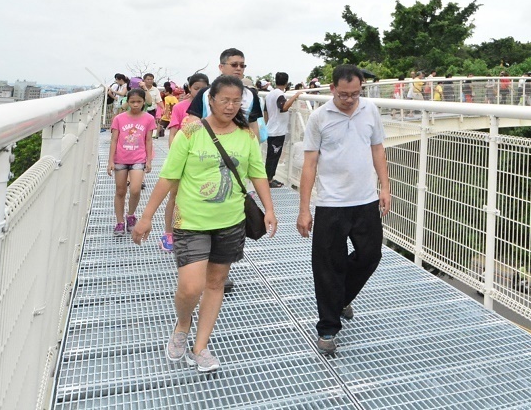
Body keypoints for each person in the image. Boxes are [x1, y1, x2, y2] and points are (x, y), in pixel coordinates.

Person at [132, 75, 278, 373]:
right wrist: (146, 217)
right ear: (210, 100)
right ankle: (183, 324)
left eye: (236, 101)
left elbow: (258, 173)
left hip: (231, 221)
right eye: (224, 100)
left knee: (214, 284)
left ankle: (200, 346)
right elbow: (169, 176)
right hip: (192, 221)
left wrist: (269, 208)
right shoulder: (190, 132)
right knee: (190, 287)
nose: (230, 106)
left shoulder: (245, 136)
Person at [297, 65, 390, 356]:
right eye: (344, 94)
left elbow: (378, 149)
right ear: (333, 88)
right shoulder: (318, 117)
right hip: (331, 204)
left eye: (355, 94)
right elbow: (309, 164)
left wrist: (385, 187)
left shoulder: (370, 110)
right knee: (326, 266)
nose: (350, 99)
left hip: (365, 200)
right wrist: (304, 209)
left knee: (370, 255)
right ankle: (327, 328)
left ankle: (341, 297)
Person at [186, 48, 263, 292]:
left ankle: (221, 268)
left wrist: (254, 159)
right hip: (206, 163)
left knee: (232, 212)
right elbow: (191, 123)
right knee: (208, 207)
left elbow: (253, 125)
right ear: (221, 67)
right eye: (234, 64)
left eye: (242, 65)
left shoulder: (250, 95)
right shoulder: (207, 94)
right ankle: (204, 264)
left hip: (237, 164)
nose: (239, 68)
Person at [163, 73, 209, 251]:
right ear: (189, 88)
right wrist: (174, 157)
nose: (200, 91)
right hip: (182, 158)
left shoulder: (211, 108)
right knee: (174, 196)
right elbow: (173, 132)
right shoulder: (180, 107)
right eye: (196, 88)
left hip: (201, 161)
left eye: (204, 88)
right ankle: (169, 234)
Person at [107, 88, 156, 236]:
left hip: (138, 158)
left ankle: (131, 214)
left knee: (135, 189)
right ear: (127, 102)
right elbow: (114, 140)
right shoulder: (119, 119)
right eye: (132, 102)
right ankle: (120, 222)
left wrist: (148, 160)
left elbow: (148, 140)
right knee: (120, 191)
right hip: (121, 158)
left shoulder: (148, 119)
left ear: (143, 103)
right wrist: (110, 161)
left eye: (139, 102)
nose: (135, 105)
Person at [264, 72, 303, 188]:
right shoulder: (280, 94)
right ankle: (269, 180)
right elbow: (284, 107)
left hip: (271, 128)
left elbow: (265, 112)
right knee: (274, 156)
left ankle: (268, 178)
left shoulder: (269, 94)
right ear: (286, 82)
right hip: (277, 131)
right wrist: (295, 96)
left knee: (270, 156)